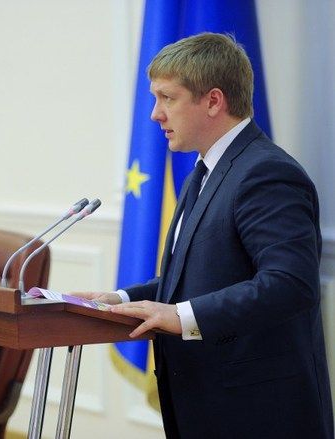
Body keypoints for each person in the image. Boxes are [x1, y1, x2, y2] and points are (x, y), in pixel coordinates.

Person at [78, 33, 333, 438]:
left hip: (258, 413)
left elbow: (289, 283)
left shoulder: (265, 173)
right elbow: (205, 274)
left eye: (167, 98)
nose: (155, 115)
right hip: (204, 400)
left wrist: (178, 316)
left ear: (214, 101)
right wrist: (123, 300)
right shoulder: (206, 170)